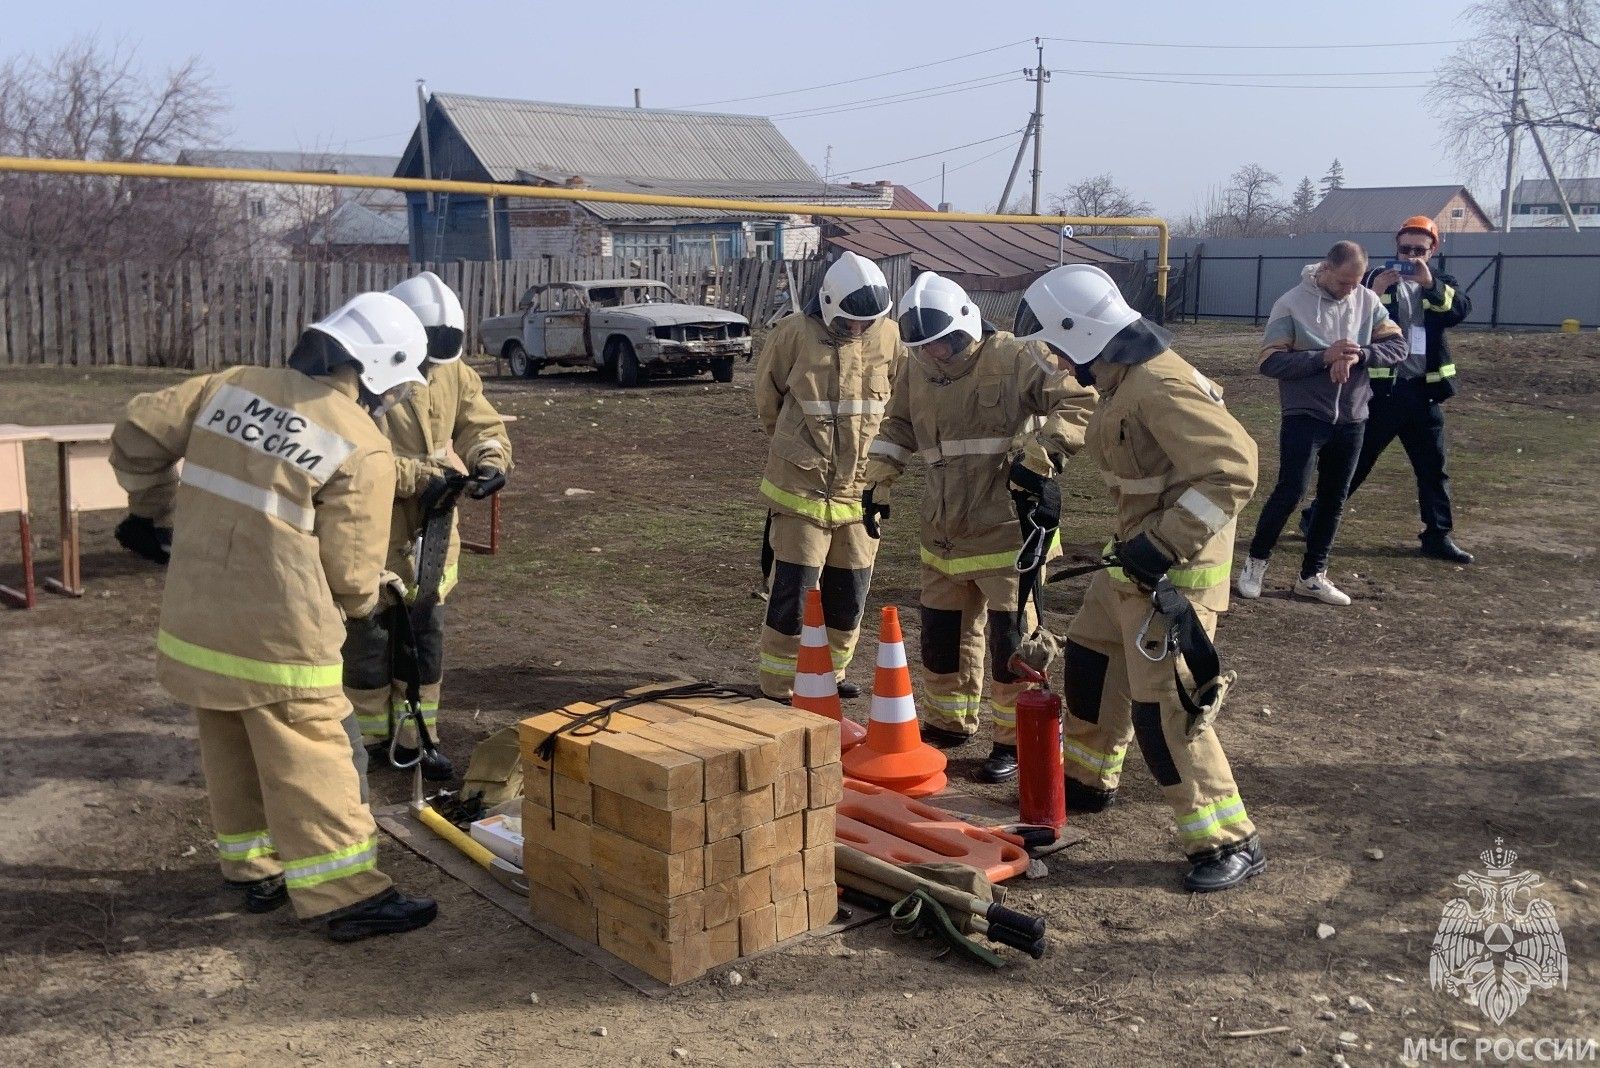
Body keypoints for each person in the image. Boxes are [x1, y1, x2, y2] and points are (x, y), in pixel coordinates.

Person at [108, 292, 440, 939]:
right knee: (315, 748)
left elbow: (137, 432)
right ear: (377, 368)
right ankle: (345, 893)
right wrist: (375, 597)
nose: (395, 400)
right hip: (282, 636)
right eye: (397, 386)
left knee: (230, 738)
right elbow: (348, 577)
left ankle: (253, 869)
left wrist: (151, 514)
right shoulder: (362, 443)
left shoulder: (230, 385)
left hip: (198, 627)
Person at [1014, 263, 1262, 891]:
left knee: (1167, 708)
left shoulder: (1159, 385)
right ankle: (1090, 779)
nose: (1060, 362)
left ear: (1083, 331)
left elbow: (1232, 471)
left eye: (1060, 346)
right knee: (1094, 661)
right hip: (1133, 559)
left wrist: (1164, 545)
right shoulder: (1122, 380)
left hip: (1170, 572)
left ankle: (1227, 840)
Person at [863, 271, 1095, 783]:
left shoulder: (1015, 356)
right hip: (943, 531)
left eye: (944, 344)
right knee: (942, 638)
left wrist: (1046, 452)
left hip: (1008, 531)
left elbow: (1077, 399)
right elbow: (897, 424)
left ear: (966, 323)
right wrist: (878, 479)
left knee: (1010, 641)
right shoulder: (917, 366)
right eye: (924, 347)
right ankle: (948, 723)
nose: (936, 355)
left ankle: (1012, 740)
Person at [343, 272, 512, 781]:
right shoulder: (356, 373)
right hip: (371, 528)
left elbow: (480, 422)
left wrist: (491, 460)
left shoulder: (451, 371)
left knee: (424, 636)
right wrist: (423, 478)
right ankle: (368, 742)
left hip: (431, 532)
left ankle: (417, 738)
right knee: (369, 641)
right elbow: (351, 461)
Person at [756, 251, 904, 702]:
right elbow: (768, 400)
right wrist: (799, 449)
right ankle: (780, 685)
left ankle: (833, 675)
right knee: (793, 595)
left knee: (849, 594)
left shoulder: (891, 338)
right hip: (801, 488)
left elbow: (897, 406)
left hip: (860, 494)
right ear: (827, 304)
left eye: (866, 323)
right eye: (848, 323)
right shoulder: (793, 335)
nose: (857, 330)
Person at [1236, 241, 1407, 606]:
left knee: (1334, 498)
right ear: (1326, 269)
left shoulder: (1367, 301)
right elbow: (1270, 362)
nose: (1350, 289)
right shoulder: (1291, 303)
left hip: (1354, 416)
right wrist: (1323, 358)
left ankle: (1313, 575)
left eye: (1356, 282)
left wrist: (1359, 354)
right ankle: (1256, 563)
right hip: (1305, 415)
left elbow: (1398, 347)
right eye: (1345, 281)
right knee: (1291, 491)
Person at [1299, 216, 1474, 564]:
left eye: (1419, 250)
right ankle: (1314, 517)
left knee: (1433, 468)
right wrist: (1373, 292)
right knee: (1357, 463)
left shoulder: (1441, 283)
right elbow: (1348, 323)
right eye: (1404, 249)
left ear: (1433, 250)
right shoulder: (1371, 280)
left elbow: (1457, 312)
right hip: (1382, 393)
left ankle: (1437, 535)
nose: (1410, 256)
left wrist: (1430, 285)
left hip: (1424, 392)